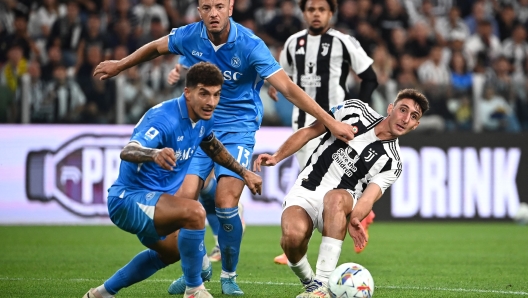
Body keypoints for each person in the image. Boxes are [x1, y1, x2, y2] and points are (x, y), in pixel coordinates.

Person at [93, 0, 357, 295]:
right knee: (184, 202)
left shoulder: (249, 45)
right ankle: (196, 273)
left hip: (239, 129)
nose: (213, 13)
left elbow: (290, 90)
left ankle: (229, 276)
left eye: (219, 6)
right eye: (207, 7)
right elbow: (155, 47)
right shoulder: (190, 35)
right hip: (201, 127)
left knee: (225, 201)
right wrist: (120, 65)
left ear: (230, 7)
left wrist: (330, 122)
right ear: (199, 10)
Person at [82, 62, 262, 298]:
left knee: (172, 253)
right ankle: (194, 289)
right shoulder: (164, 118)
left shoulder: (204, 117)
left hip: (157, 203)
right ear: (187, 92)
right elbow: (128, 150)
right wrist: (153, 153)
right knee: (195, 213)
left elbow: (214, 148)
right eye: (204, 94)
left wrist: (243, 171)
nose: (211, 102)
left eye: (216, 95)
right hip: (128, 200)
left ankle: (101, 293)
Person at [253, 89, 429, 298]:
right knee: (291, 238)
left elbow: (369, 198)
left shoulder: (393, 162)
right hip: (308, 188)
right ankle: (312, 285)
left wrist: (355, 219)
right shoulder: (355, 110)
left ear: (416, 125)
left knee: (335, 197)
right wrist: (276, 157)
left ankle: (323, 283)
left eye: (413, 116)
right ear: (391, 108)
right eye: (403, 110)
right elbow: (310, 131)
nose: (405, 119)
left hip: (341, 202)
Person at [267, 0, 379, 264]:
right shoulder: (293, 43)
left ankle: (303, 242)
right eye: (311, 9)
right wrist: (273, 86)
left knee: (322, 183)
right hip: (303, 126)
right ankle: (306, 237)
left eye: (321, 9)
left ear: (331, 13)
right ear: (303, 13)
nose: (316, 14)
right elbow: (283, 76)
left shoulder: (343, 41)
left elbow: (370, 77)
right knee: (310, 184)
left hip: (335, 126)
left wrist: (359, 113)